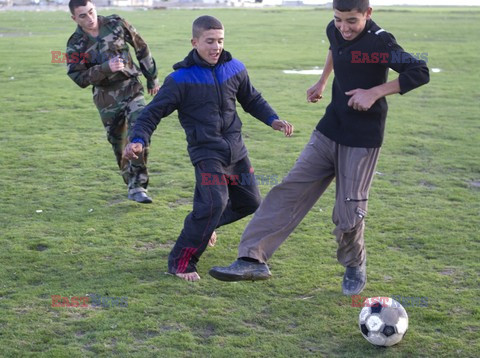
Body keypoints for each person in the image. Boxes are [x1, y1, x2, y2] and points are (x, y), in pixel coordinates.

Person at [209, 0, 429, 296]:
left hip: (362, 139)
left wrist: (375, 92)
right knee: (289, 189)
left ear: (368, 14)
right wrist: (322, 81)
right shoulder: (335, 30)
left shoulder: (380, 42)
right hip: (328, 130)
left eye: (351, 21)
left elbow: (420, 71)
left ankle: (354, 263)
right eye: (338, 19)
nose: (344, 28)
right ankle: (251, 258)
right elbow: (334, 48)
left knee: (348, 214)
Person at [123, 15, 294, 282]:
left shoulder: (234, 68)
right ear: (195, 42)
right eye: (210, 41)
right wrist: (138, 140)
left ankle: (206, 224)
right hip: (207, 153)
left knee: (250, 202)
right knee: (214, 202)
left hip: (236, 150)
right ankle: (181, 262)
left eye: (220, 41)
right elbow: (150, 114)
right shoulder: (180, 80)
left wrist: (273, 119)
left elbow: (252, 98)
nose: (216, 47)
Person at [66, 0, 160, 203]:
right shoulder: (75, 44)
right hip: (105, 98)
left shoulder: (116, 23)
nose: (90, 18)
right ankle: (130, 180)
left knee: (139, 133)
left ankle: (138, 186)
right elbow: (78, 77)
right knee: (119, 144)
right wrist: (105, 68)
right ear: (74, 18)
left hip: (131, 88)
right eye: (83, 15)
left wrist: (152, 77)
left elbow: (141, 46)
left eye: (91, 12)